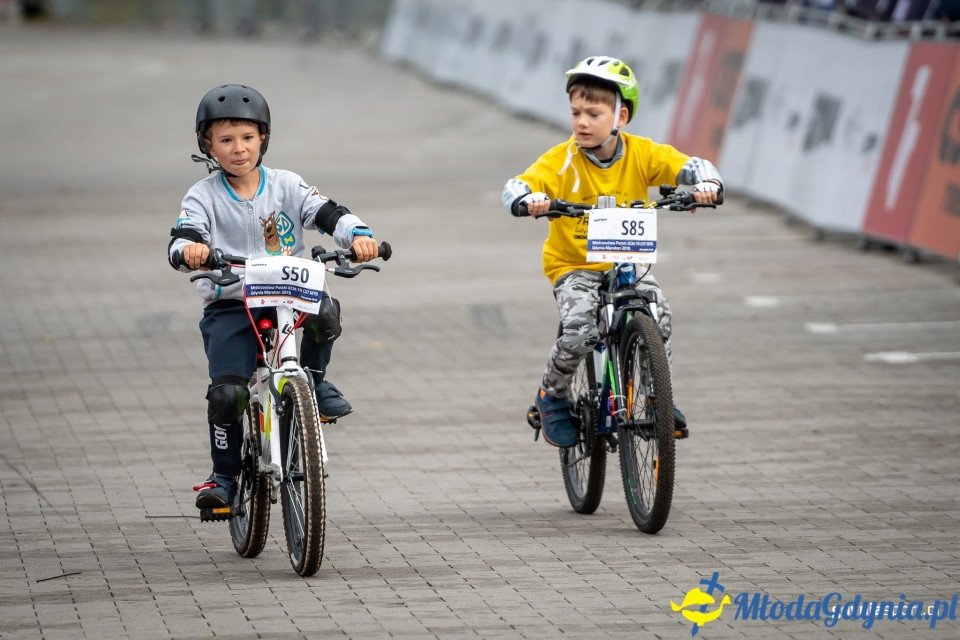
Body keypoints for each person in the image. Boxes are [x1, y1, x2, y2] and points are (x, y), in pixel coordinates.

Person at [168, 84, 379, 509]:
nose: (238, 149)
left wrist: (357, 235)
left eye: (247, 137)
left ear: (263, 137)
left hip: (287, 294)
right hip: (232, 302)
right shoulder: (202, 196)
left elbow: (327, 212)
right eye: (225, 140)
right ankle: (224, 477)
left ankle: (314, 383)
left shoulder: (286, 185)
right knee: (228, 395)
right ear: (207, 145)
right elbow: (184, 235)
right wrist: (189, 251)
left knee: (326, 312)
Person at [502, 56, 722, 448]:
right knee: (582, 328)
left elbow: (691, 166)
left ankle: (657, 398)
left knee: (660, 313)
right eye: (575, 112)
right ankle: (551, 395)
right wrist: (529, 198)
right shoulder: (561, 161)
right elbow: (518, 185)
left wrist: (706, 183)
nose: (582, 122)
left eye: (593, 113)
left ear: (621, 116)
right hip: (574, 265)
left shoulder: (642, 154)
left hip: (627, 261)